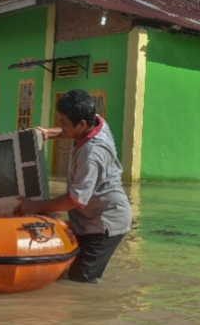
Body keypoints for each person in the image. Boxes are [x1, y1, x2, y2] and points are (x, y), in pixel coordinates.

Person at [14, 89, 132, 283]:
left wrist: (34, 206)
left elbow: (75, 199)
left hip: (105, 222)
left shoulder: (92, 154)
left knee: (82, 280)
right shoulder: (97, 122)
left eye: (64, 123)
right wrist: (48, 133)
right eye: (59, 120)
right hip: (88, 218)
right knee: (66, 273)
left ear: (83, 123)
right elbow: (71, 131)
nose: (60, 126)